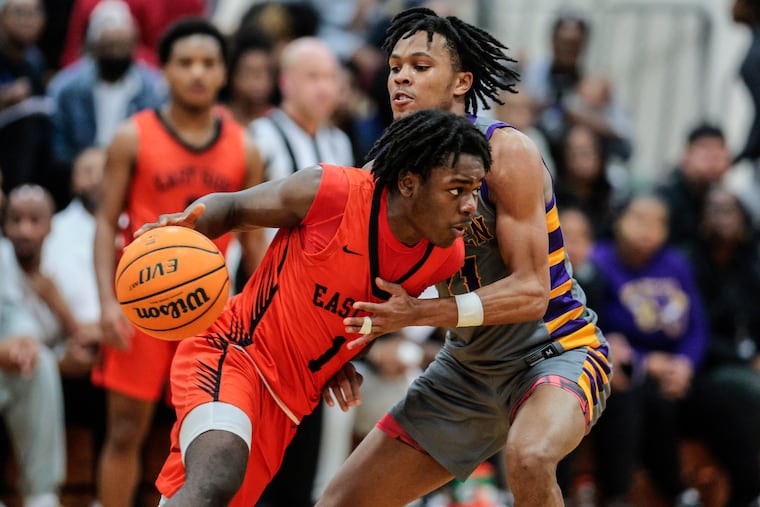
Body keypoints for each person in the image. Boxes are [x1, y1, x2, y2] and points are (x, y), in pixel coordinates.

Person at [317, 8, 611, 507]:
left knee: (530, 456)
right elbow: (357, 275)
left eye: (420, 65)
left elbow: (531, 292)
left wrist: (420, 314)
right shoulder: (383, 173)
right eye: (393, 67)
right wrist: (332, 353)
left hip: (556, 350)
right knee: (339, 502)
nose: (401, 76)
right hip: (467, 370)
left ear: (462, 82)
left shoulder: (507, 151)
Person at [140, 108, 493, 507]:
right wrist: (183, 230)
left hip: (291, 401)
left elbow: (364, 306)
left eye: (475, 190)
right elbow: (234, 208)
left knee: (210, 495)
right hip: (234, 352)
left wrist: (335, 354)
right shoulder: (332, 192)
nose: (470, 206)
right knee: (219, 471)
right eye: (456, 190)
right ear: (409, 183)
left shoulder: (444, 256)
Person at [92, 18, 265, 507]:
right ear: (163, 70)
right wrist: (106, 302)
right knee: (126, 431)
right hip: (141, 306)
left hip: (209, 313)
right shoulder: (132, 137)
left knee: (197, 441)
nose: (196, 72)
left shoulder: (244, 148)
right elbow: (105, 224)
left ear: (223, 73)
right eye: (185, 62)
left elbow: (255, 248)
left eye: (208, 63)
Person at [587, 192, 707, 505]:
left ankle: (685, 492)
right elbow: (597, 327)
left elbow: (696, 325)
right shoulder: (598, 263)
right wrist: (643, 361)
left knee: (699, 396)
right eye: (639, 219)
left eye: (658, 223)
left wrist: (685, 364)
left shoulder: (676, 263)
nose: (648, 229)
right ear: (618, 220)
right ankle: (619, 494)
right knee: (632, 394)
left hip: (676, 368)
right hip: (623, 369)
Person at [0, 180, 66, 507]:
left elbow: (14, 316)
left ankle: (41, 495)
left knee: (40, 362)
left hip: (21, 368)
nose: (24, 230)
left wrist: (24, 343)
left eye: (34, 219)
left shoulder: (64, 260)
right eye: (15, 219)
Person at [48, 0, 165, 178]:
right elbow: (57, 145)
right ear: (94, 48)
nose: (116, 53)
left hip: (136, 173)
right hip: (80, 176)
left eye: (122, 46)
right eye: (109, 46)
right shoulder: (66, 88)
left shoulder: (154, 88)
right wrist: (82, 164)